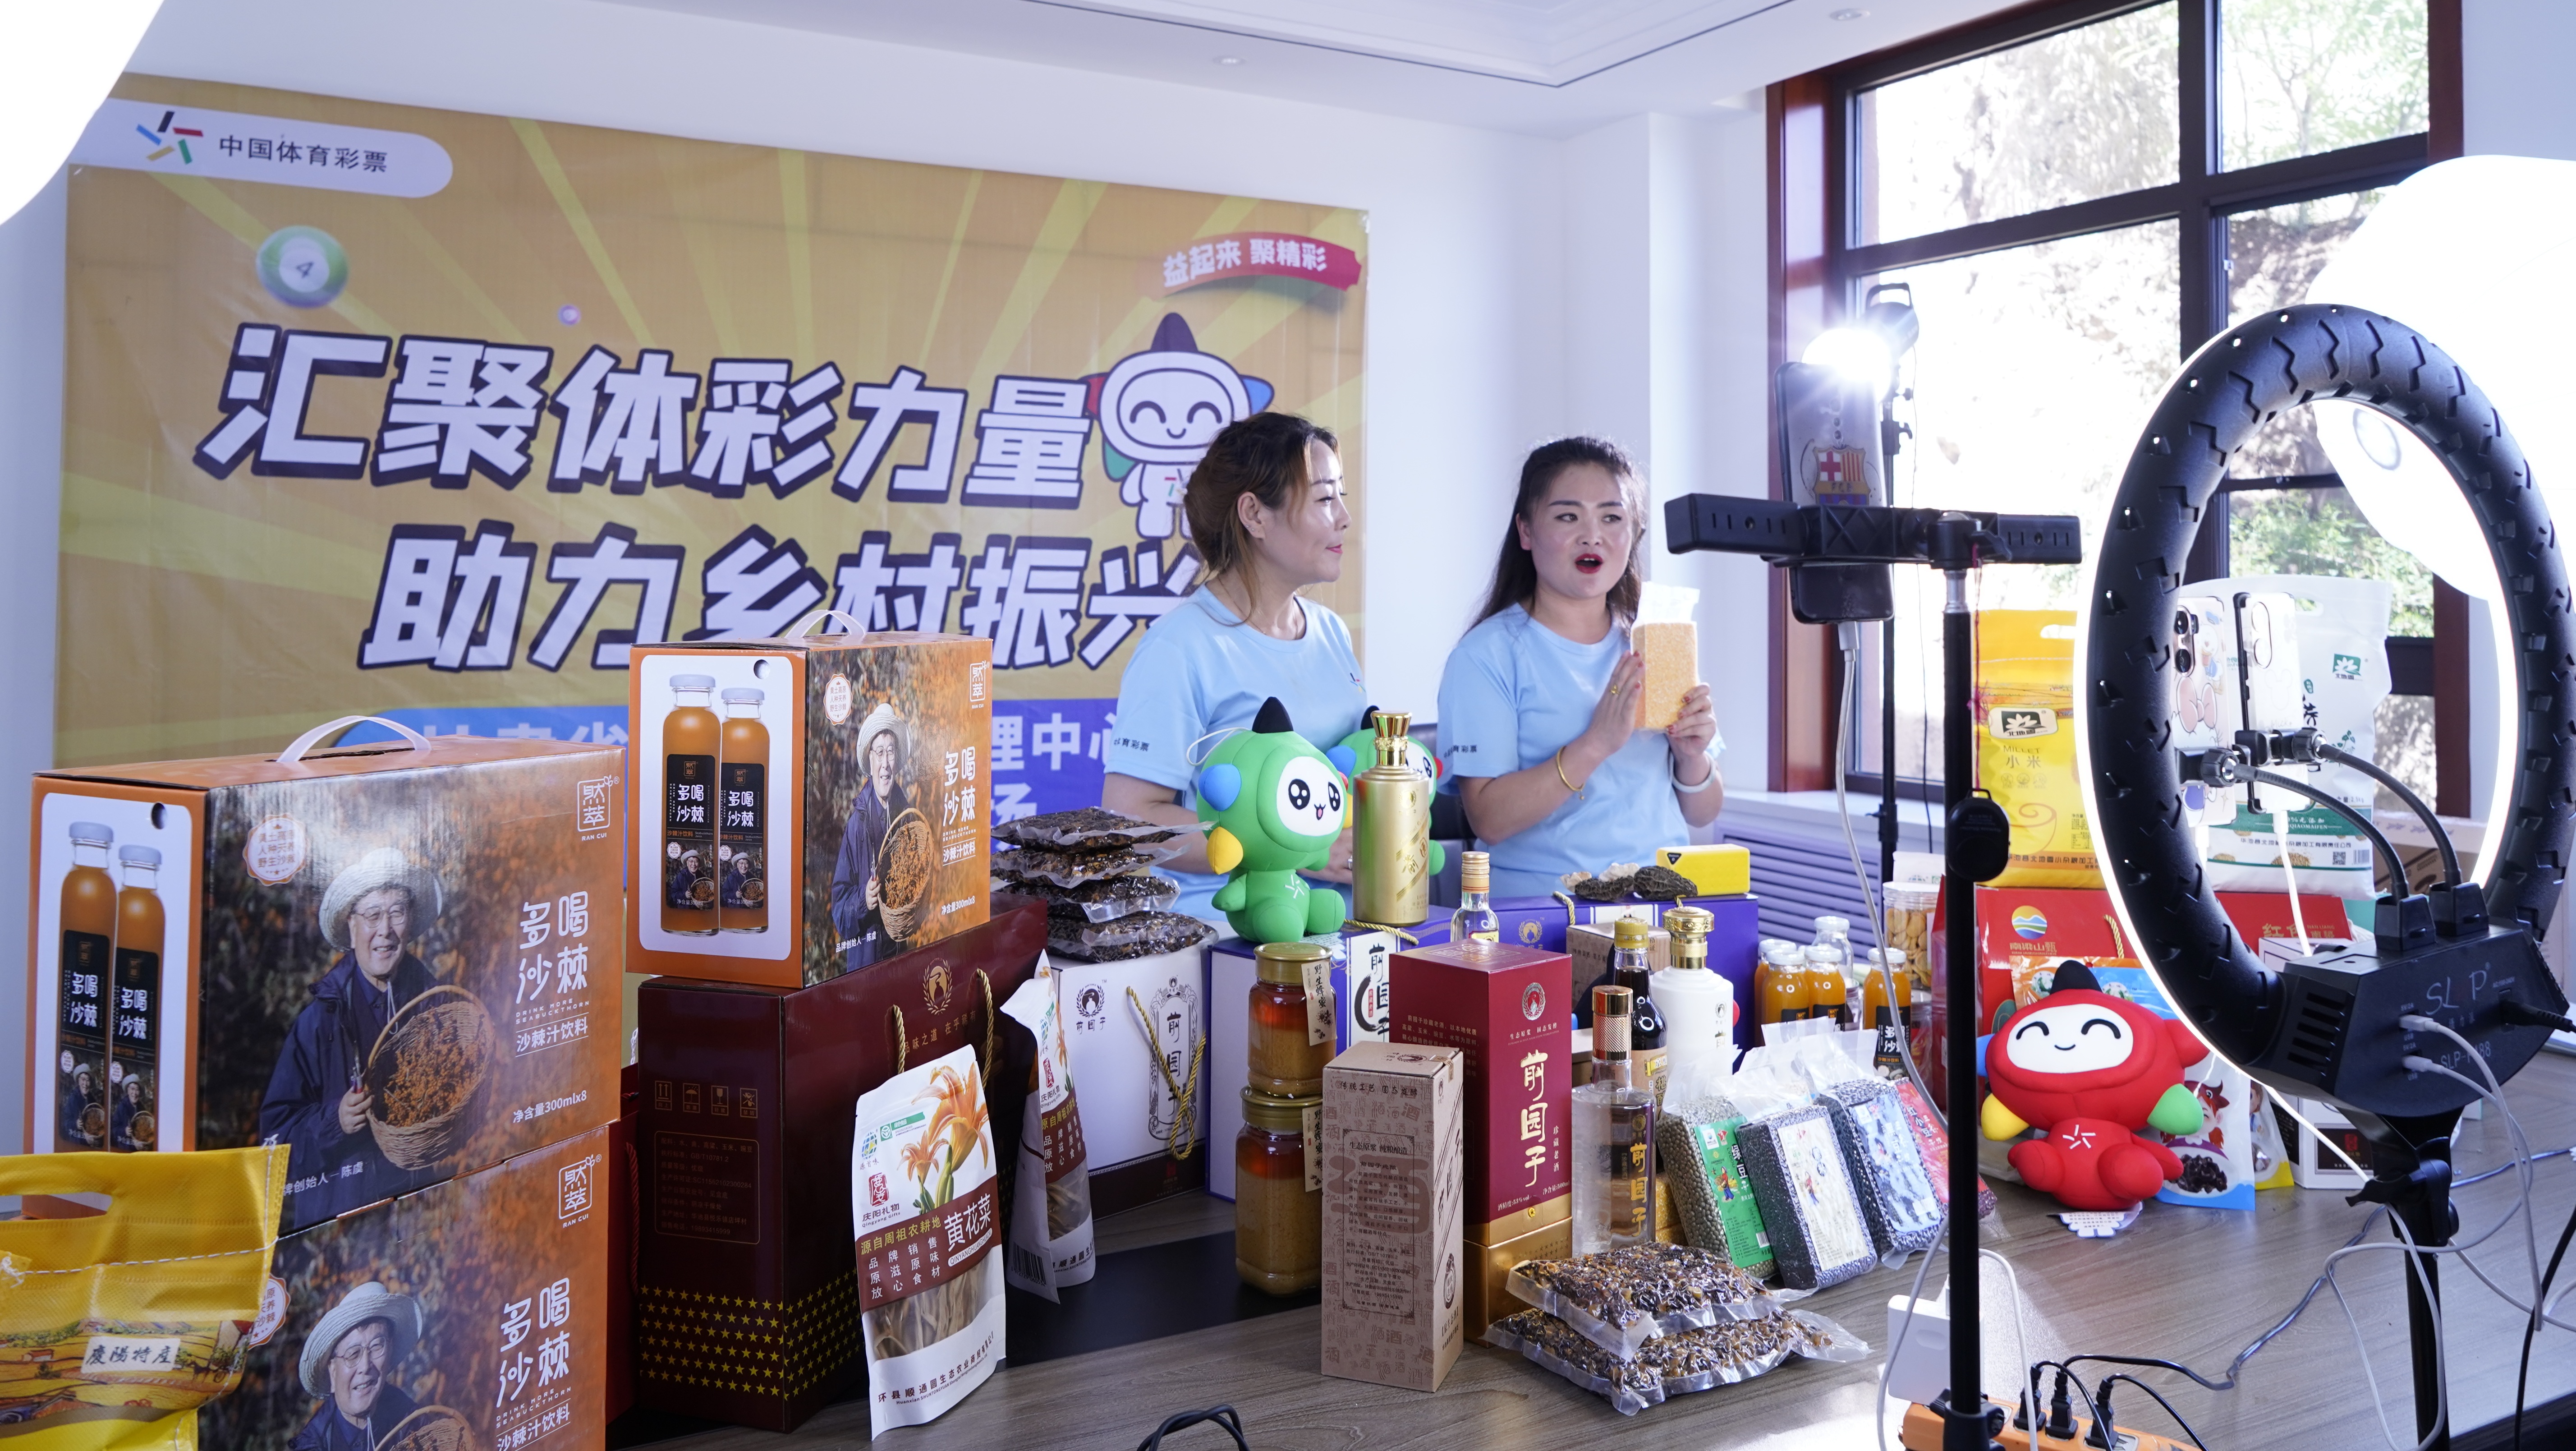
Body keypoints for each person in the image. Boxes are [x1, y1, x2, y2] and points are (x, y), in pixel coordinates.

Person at [1102, 412, 1367, 920]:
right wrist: (1295, 847)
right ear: (1254, 514)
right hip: (1229, 936)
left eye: (1341, 497)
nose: (1343, 518)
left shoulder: (1331, 631)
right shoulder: (1180, 647)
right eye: (1323, 499)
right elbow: (1130, 817)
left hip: (1340, 925)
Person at [1437, 437, 1722, 898]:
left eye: (1612, 517)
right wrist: (1594, 744)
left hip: (1658, 906)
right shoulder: (1485, 655)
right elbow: (1488, 819)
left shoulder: (1655, 639)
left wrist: (1693, 756)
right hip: (1547, 914)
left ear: (1634, 534)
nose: (1592, 535)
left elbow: (1703, 811)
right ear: (1526, 531)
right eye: (1568, 517)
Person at [257, 848, 442, 1230]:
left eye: (397, 912)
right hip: (338, 1230)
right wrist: (335, 1122)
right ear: (351, 926)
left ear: (410, 922)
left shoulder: (435, 1006)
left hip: (418, 1218)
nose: (385, 930)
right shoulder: (319, 1023)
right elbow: (272, 1145)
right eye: (373, 915)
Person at [292, 1281, 422, 1451]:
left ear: (390, 1353)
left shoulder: (412, 1422)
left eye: (377, 1346)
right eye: (353, 1354)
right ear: (333, 1371)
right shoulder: (315, 1444)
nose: (365, 1366)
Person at [831, 703, 912, 969]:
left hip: (901, 957)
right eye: (880, 752)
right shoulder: (857, 825)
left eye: (891, 752)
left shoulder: (907, 818)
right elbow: (840, 913)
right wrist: (863, 901)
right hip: (866, 965)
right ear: (871, 760)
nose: (886, 763)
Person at [60, 1064, 99, 1147]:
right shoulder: (73, 1099)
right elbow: (65, 1122)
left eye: (88, 1080)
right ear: (79, 1081)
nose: (85, 1084)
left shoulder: (92, 1100)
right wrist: (76, 1124)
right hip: (75, 1145)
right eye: (83, 1080)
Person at [110, 1075, 147, 1151]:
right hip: (124, 1149)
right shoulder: (122, 1107)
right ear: (128, 1091)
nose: (135, 1093)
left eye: (137, 1090)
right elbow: (114, 1129)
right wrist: (124, 1131)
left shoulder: (142, 1108)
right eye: (132, 1089)